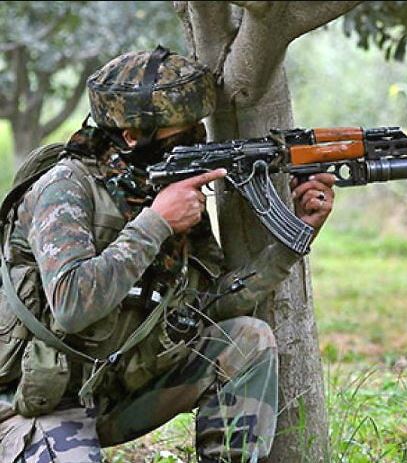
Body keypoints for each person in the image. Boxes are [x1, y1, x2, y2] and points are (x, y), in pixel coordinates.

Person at [0, 46, 335, 462]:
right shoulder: (66, 187)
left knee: (247, 340)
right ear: (131, 135)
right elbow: (70, 305)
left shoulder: (157, 188)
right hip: (33, 403)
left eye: (198, 127)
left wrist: (293, 237)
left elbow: (209, 304)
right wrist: (156, 222)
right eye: (182, 130)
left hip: (113, 391)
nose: (196, 139)